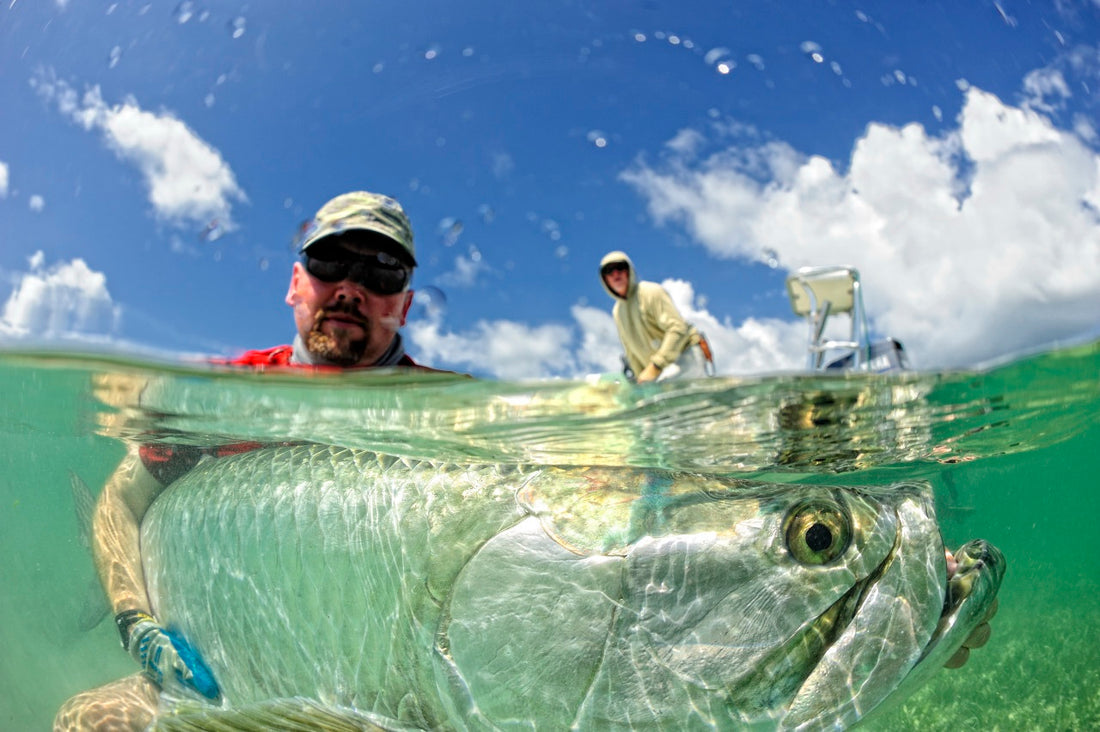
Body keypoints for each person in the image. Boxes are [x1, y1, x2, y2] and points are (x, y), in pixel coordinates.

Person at [55, 190, 447, 731]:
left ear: (403, 304)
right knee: (90, 722)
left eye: (382, 272)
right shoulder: (217, 392)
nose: (350, 288)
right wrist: (135, 622)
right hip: (221, 681)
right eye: (329, 262)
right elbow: (124, 500)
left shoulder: (446, 411)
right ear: (295, 283)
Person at [599, 250, 714, 383]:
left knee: (667, 391)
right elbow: (631, 351)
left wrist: (656, 366)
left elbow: (677, 328)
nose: (615, 274)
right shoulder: (617, 312)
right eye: (609, 271)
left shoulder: (651, 292)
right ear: (604, 279)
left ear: (629, 271)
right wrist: (640, 379)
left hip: (686, 354)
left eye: (620, 268)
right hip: (660, 370)